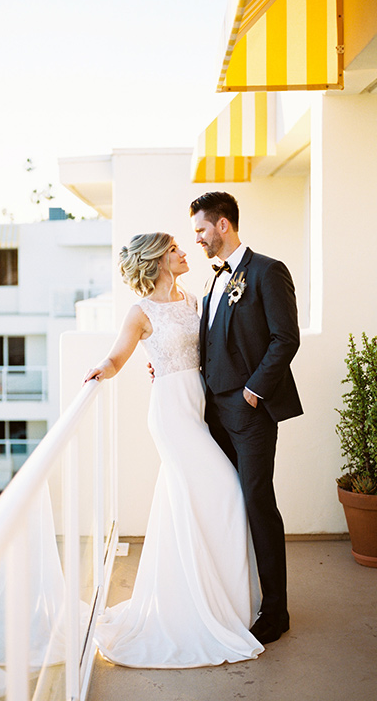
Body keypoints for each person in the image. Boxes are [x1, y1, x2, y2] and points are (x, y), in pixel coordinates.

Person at [84, 232, 264, 668]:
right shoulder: (140, 311)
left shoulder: (193, 302)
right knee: (222, 492)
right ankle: (198, 608)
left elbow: (210, 350)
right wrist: (100, 372)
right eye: (175, 250)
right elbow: (118, 357)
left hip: (197, 406)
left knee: (204, 501)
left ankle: (225, 601)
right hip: (169, 414)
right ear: (158, 260)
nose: (185, 253)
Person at [189, 191, 303, 645]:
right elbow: (210, 341)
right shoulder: (212, 280)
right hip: (213, 410)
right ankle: (235, 596)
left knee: (257, 502)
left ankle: (276, 611)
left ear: (223, 225)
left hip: (251, 411)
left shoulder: (267, 271)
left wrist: (254, 390)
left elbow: (285, 338)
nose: (196, 238)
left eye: (200, 229)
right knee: (223, 500)